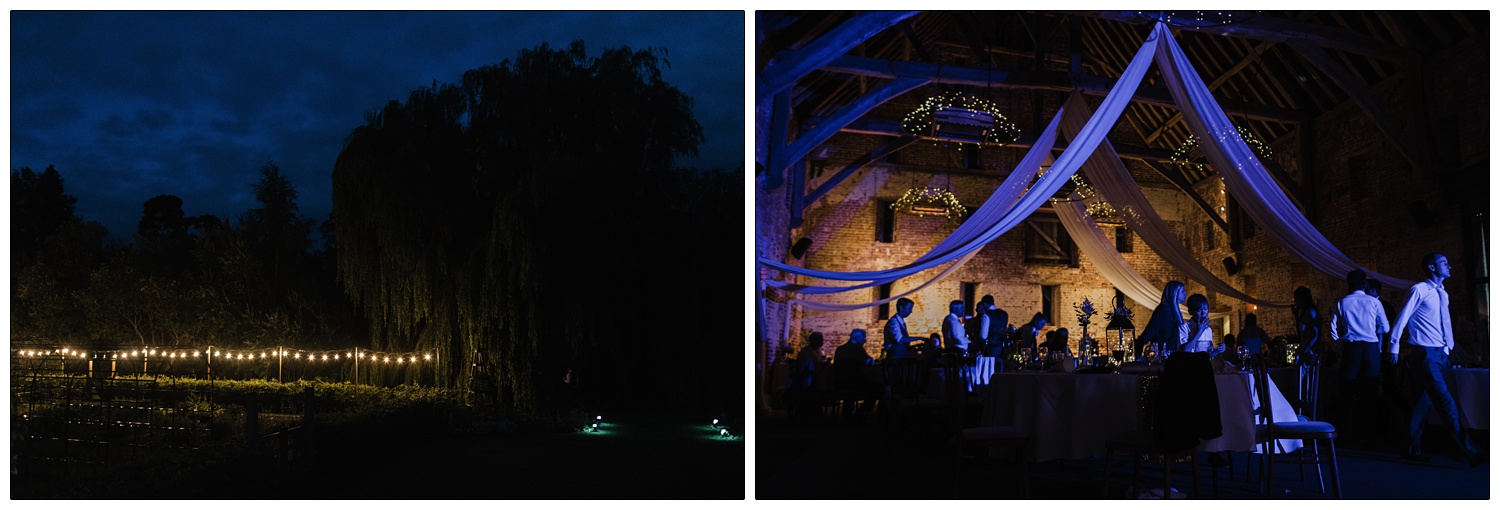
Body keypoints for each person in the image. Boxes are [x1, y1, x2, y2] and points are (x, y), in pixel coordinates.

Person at [1389, 253, 1484, 466]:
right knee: (1445, 401)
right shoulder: (1419, 290)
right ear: (1432, 267)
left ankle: (1410, 449)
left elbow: (1444, 323)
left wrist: (1448, 349)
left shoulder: (1443, 292)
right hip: (1425, 354)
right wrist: (1393, 348)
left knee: (1423, 402)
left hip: (1440, 354)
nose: (1449, 265)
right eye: (1444, 263)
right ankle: (1470, 450)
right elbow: (1402, 317)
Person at [1331, 269, 1389, 444]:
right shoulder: (1374, 302)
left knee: (1346, 391)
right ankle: (1369, 433)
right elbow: (1385, 328)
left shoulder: (1341, 302)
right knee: (1371, 390)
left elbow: (1333, 330)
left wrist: (1340, 347)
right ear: (1365, 284)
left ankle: (1344, 433)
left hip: (1351, 348)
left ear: (1348, 284)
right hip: (1371, 348)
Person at [833, 329, 880, 418]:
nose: (865, 340)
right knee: (877, 389)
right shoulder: (858, 350)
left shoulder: (840, 349)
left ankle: (848, 415)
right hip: (856, 383)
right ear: (857, 338)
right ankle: (860, 414)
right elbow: (869, 362)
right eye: (864, 338)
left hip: (839, 383)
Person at [1137, 281, 1186, 358]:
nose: (1185, 293)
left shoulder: (1173, 310)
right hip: (1164, 354)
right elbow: (1152, 329)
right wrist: (1140, 343)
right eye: (1182, 291)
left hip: (1172, 353)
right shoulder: (1164, 309)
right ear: (1175, 292)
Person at [1293, 286, 1321, 362]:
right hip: (1306, 350)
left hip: (1309, 352)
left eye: (1295, 298)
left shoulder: (1310, 312)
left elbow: (1314, 334)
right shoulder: (1305, 313)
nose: (1294, 301)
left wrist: (1304, 350)